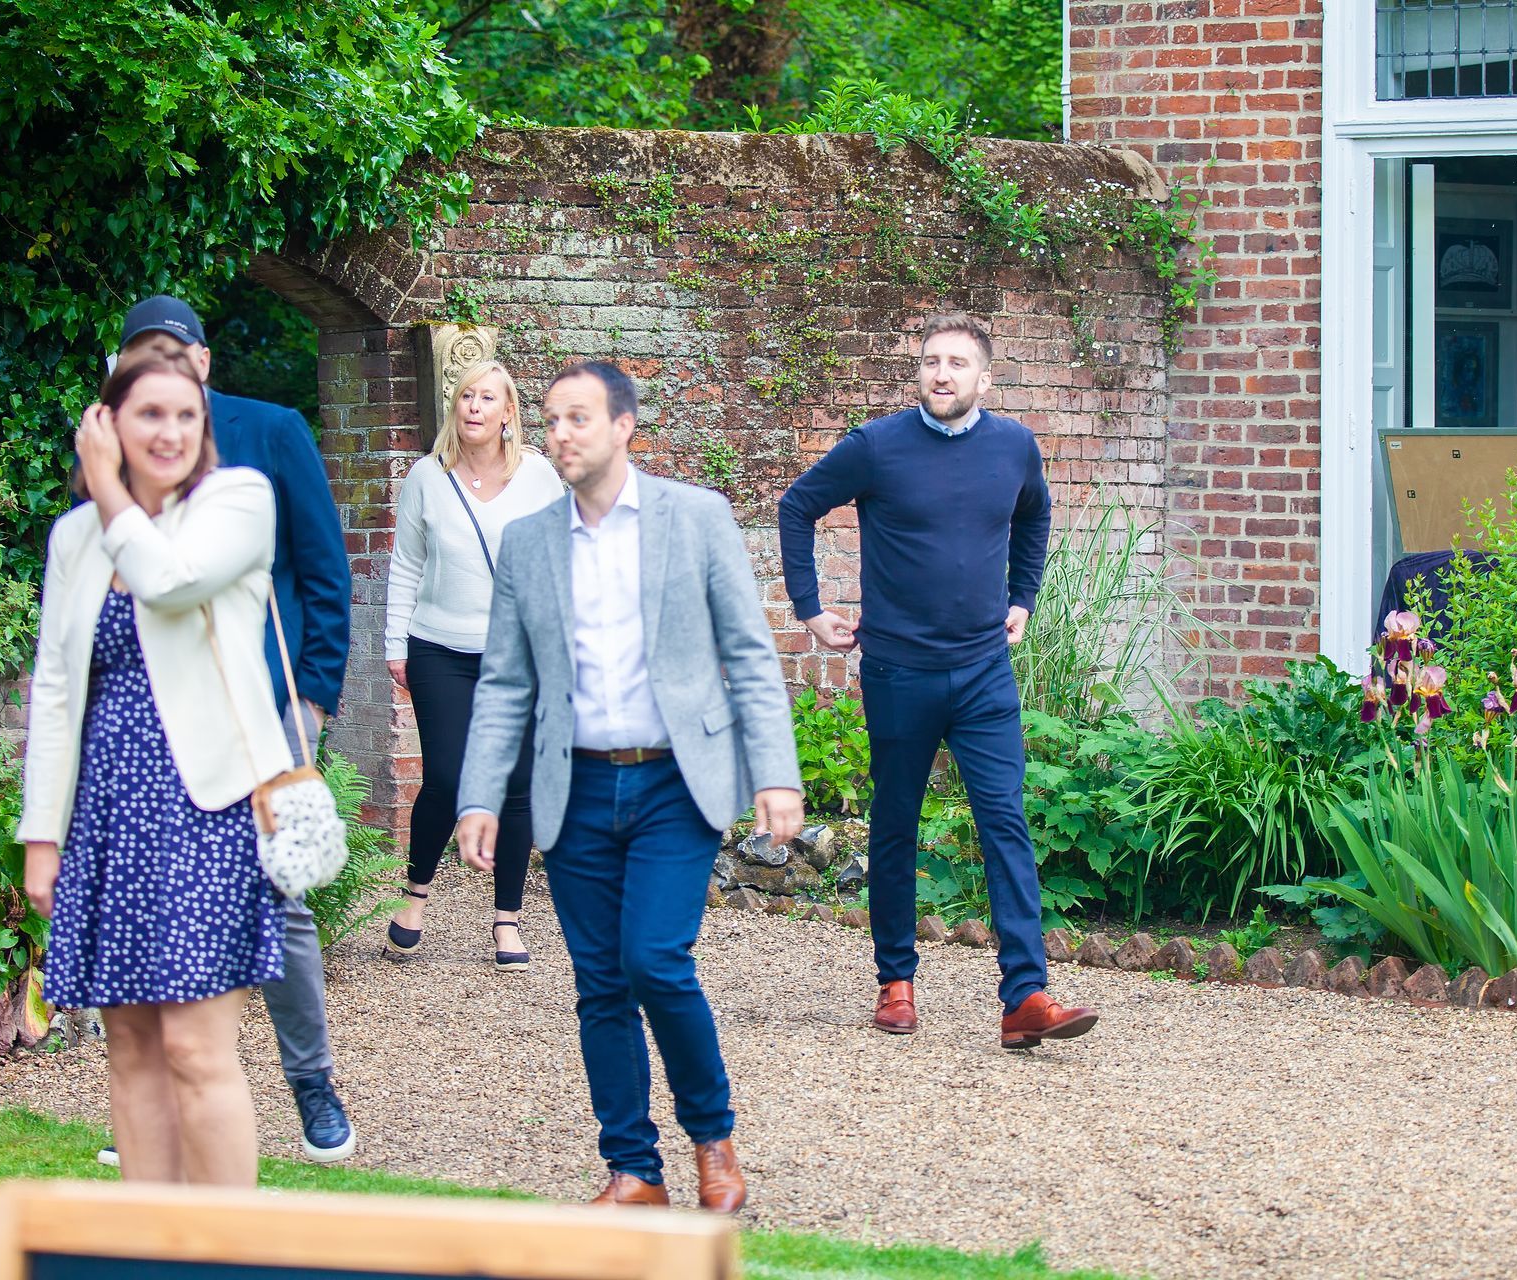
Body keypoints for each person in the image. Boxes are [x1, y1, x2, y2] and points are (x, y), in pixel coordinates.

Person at [454, 360, 802, 1212]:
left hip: (673, 784)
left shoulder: (697, 519)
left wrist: (776, 776)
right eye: (551, 419)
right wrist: (477, 794)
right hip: (571, 791)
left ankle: (712, 1141)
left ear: (624, 427)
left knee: (655, 960)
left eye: (577, 418)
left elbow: (751, 656)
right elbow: (504, 682)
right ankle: (633, 1172)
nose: (560, 434)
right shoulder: (529, 540)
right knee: (600, 982)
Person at [777, 312, 1101, 1050]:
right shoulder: (877, 447)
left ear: (985, 378)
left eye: (957, 363)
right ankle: (896, 979)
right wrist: (811, 611)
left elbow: (1035, 517)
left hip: (984, 670)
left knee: (1005, 822)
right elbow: (796, 506)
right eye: (931, 361)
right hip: (899, 671)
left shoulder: (1014, 447)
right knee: (895, 824)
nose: (942, 373)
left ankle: (1026, 996)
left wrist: (1023, 598)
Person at [20, 352, 288, 1185]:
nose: (170, 432)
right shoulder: (73, 538)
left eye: (186, 414)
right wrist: (42, 835)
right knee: (131, 1046)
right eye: (149, 415)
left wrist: (106, 493)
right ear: (109, 424)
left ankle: (228, 1256)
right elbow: (57, 687)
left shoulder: (237, 503)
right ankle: (150, 1253)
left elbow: (168, 583)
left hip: (211, 806)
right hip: (107, 807)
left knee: (194, 1047)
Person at [100, 296, 357, 1162]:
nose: (163, 368)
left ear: (205, 361)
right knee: (158, 898)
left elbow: (324, 567)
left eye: (174, 352)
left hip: (259, 708)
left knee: (279, 897)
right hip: (152, 719)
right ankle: (170, 1105)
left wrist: (312, 699)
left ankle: (312, 1083)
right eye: (144, 356)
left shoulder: (271, 431)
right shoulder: (119, 448)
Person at [383, 360, 566, 970]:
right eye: (466, 397)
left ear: (508, 412)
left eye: (489, 398)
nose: (476, 407)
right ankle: (415, 898)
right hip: (440, 648)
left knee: (515, 784)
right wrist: (395, 644)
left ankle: (507, 921)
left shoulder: (539, 477)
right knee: (449, 775)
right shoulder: (426, 478)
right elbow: (406, 564)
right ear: (453, 408)